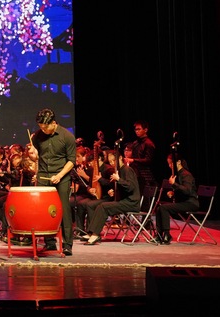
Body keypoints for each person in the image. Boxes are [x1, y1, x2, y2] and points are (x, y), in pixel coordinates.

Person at [26, 108, 75, 256]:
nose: (43, 130)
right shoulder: (38, 136)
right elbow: (37, 157)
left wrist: (59, 175)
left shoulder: (67, 136)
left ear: (53, 123)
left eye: (45, 127)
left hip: (62, 175)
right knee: (43, 209)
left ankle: (67, 244)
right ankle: (50, 242)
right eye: (41, 127)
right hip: (43, 175)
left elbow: (71, 161)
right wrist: (32, 155)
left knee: (63, 209)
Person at [81, 151, 141, 245]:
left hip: (131, 203)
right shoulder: (119, 171)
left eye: (114, 160)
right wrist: (113, 191)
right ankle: (91, 232)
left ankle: (95, 234)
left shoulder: (127, 170)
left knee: (103, 207)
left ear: (120, 158)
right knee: (100, 205)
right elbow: (123, 189)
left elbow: (131, 187)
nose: (112, 163)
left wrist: (118, 179)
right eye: (110, 161)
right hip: (124, 201)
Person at [154, 155, 198, 245]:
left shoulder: (186, 174)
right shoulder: (178, 174)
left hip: (191, 203)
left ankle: (167, 234)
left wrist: (174, 184)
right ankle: (159, 235)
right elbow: (181, 191)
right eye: (169, 164)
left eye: (171, 163)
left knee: (163, 208)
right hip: (184, 202)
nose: (169, 166)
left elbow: (188, 191)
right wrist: (173, 192)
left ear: (178, 162)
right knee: (159, 208)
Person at [124, 120, 157, 192]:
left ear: (145, 130)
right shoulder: (135, 143)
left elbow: (148, 160)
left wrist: (133, 160)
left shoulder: (149, 144)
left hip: (145, 174)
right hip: (135, 172)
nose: (137, 131)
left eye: (139, 129)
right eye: (135, 129)